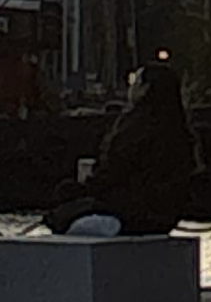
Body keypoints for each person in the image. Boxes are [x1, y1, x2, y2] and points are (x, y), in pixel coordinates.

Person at [45, 50, 197, 236]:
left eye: (135, 82)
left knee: (63, 210)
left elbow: (114, 172)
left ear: (145, 89)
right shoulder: (179, 131)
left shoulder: (136, 128)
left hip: (129, 212)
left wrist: (83, 189)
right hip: (164, 217)